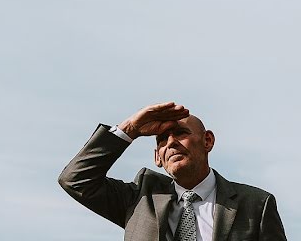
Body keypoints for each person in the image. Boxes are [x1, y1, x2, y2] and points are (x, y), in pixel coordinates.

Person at [58, 102, 287, 241]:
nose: (171, 143)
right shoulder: (139, 200)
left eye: (180, 133)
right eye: (161, 140)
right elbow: (75, 180)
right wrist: (130, 129)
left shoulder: (256, 204)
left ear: (207, 140)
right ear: (157, 157)